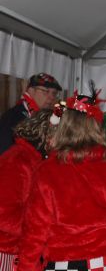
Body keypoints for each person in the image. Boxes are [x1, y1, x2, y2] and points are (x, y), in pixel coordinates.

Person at [18, 86, 106, 271]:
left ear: (63, 126)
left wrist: (26, 267)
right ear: (97, 126)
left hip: (62, 262)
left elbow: (35, 231)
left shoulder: (47, 170)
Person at [0, 109, 53, 271]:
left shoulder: (34, 160)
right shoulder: (18, 160)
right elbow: (4, 215)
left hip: (18, 251)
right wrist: (40, 228)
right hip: (6, 251)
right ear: (47, 136)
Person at [0, 72, 62, 155]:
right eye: (46, 91)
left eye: (54, 93)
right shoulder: (14, 116)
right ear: (31, 91)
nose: (51, 97)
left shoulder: (47, 118)